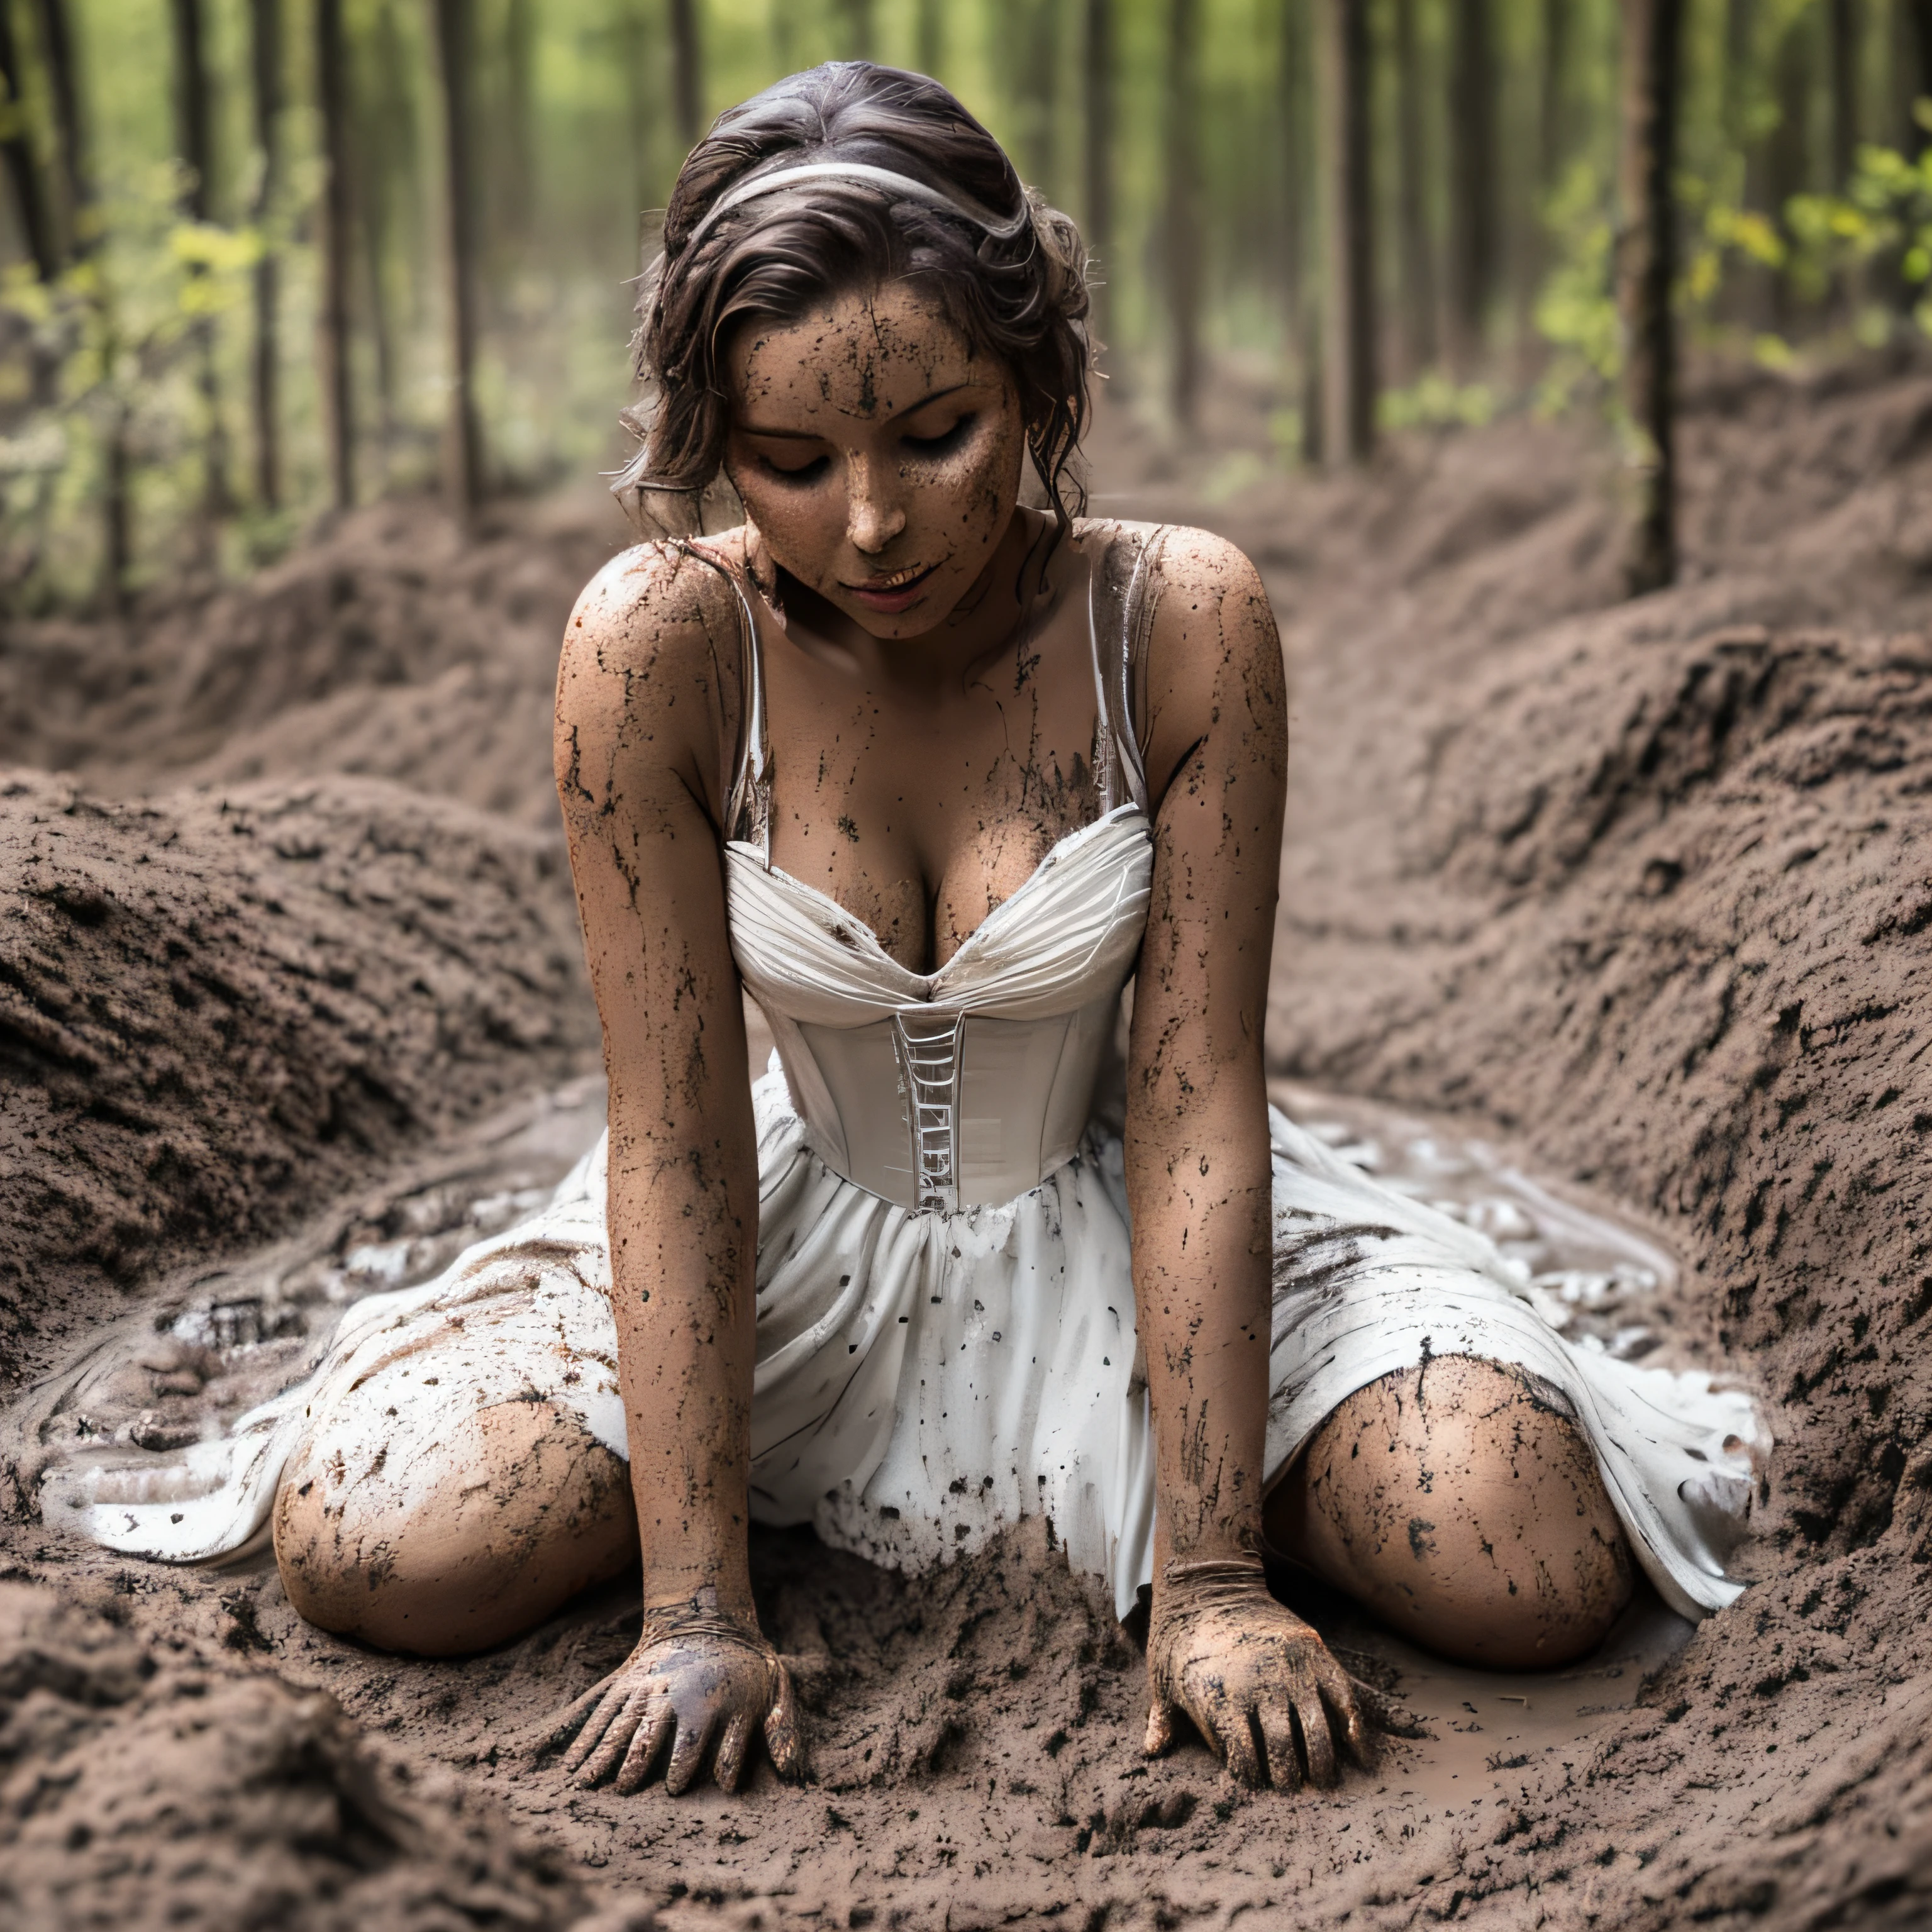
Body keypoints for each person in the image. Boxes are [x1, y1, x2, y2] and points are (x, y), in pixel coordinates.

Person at [69, 63, 1764, 1799]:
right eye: (790, 462)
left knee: (1523, 1549)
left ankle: (1219, 1491)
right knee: (379, 1539)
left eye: (936, 436)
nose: (870, 525)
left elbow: (1195, 1109)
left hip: (1122, 1209)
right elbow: (672, 1143)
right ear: (711, 441)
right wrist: (692, 1612)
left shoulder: (1175, 619)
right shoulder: (662, 646)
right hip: (788, 1236)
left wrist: (1216, 1587)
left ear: (1037, 377)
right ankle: (745, 1489)